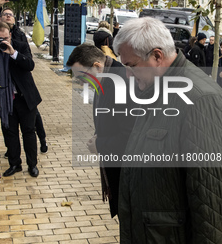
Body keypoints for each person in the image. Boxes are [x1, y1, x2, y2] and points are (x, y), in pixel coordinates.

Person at [113, 17, 222, 243]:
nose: (128, 75)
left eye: (131, 66)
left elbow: (209, 204)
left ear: (157, 56)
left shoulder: (199, 100)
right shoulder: (157, 89)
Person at [66, 43, 136, 218]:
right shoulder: (106, 77)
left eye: (83, 77)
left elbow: (131, 136)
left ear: (97, 66)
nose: (82, 82)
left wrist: (101, 145)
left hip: (128, 175)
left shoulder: (121, 83)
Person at [0, 22, 41, 177]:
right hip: (6, 100)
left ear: (10, 35)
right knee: (10, 133)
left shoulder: (20, 45)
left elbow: (30, 65)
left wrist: (13, 53)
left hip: (24, 97)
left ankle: (32, 165)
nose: (3, 41)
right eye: (0, 39)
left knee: (29, 132)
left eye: (6, 38)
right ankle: (14, 164)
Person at [0, 0, 48, 153]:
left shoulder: (19, 36)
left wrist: (13, 52)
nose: (7, 17)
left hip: (22, 88)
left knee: (33, 121)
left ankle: (42, 139)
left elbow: (28, 62)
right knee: (10, 127)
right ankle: (12, 153)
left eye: (10, 15)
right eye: (4, 14)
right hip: (5, 92)